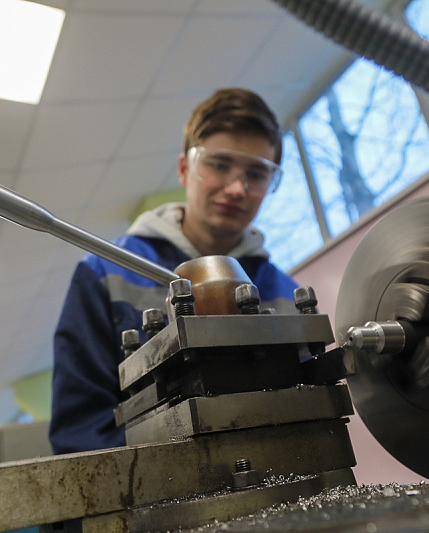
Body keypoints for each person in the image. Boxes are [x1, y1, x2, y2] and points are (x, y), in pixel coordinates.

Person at [49, 88, 299, 455]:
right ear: (184, 169)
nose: (236, 188)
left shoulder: (286, 294)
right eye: (219, 164)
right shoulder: (106, 274)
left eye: (257, 173)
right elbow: (82, 433)